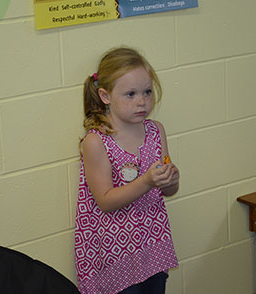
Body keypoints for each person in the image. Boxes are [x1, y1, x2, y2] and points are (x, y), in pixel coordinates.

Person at [74, 47, 180, 294]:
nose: (142, 101)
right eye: (130, 94)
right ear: (105, 95)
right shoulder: (96, 141)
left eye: (147, 92)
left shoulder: (156, 131)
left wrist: (171, 179)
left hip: (152, 248)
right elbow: (105, 201)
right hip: (114, 255)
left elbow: (169, 191)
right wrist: (146, 181)